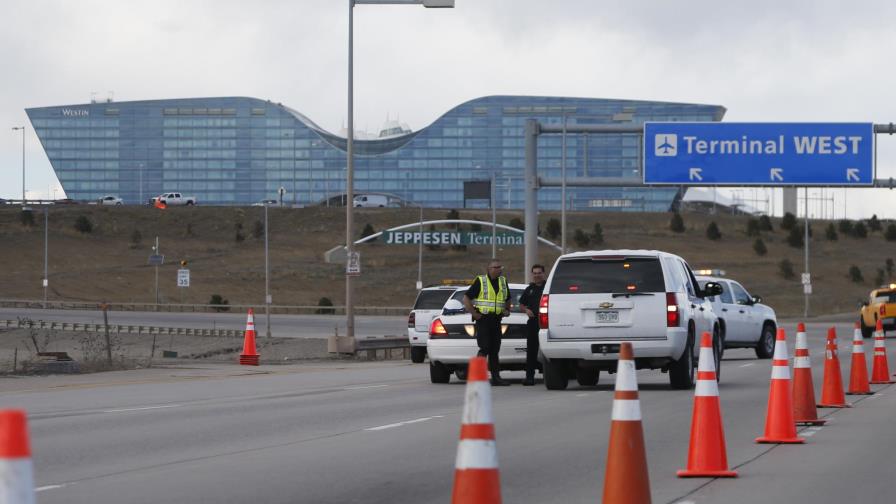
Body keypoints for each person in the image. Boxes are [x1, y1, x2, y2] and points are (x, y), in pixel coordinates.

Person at [463, 258, 512, 386]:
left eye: (500, 267)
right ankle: (476, 377)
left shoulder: (503, 281)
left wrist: (507, 309)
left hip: (496, 319)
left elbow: (507, 298)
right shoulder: (481, 281)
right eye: (495, 267)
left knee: (495, 349)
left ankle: (496, 378)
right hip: (483, 319)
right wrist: (474, 314)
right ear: (489, 269)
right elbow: (466, 298)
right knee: (485, 347)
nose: (498, 269)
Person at [518, 264, 546, 386]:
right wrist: (526, 310)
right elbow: (521, 304)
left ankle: (551, 375)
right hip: (533, 322)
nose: (537, 275)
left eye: (539, 273)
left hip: (546, 322)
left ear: (543, 274)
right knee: (531, 351)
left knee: (548, 350)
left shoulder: (548, 287)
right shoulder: (529, 289)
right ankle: (529, 377)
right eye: (534, 273)